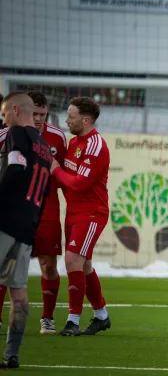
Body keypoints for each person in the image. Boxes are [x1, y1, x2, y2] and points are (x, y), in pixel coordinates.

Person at [0, 91, 67, 334]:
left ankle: (47, 318)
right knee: (11, 276)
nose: (38, 119)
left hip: (36, 210)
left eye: (43, 114)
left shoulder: (55, 138)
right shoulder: (16, 137)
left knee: (47, 264)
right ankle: (11, 347)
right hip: (21, 212)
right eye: (35, 114)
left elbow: (18, 169)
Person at [50, 97, 111, 336]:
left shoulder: (95, 145)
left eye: (71, 117)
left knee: (72, 261)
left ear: (85, 120)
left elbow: (79, 184)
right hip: (74, 211)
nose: (67, 121)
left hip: (92, 213)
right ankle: (101, 316)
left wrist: (55, 169)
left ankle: (73, 320)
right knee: (84, 265)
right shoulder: (73, 142)